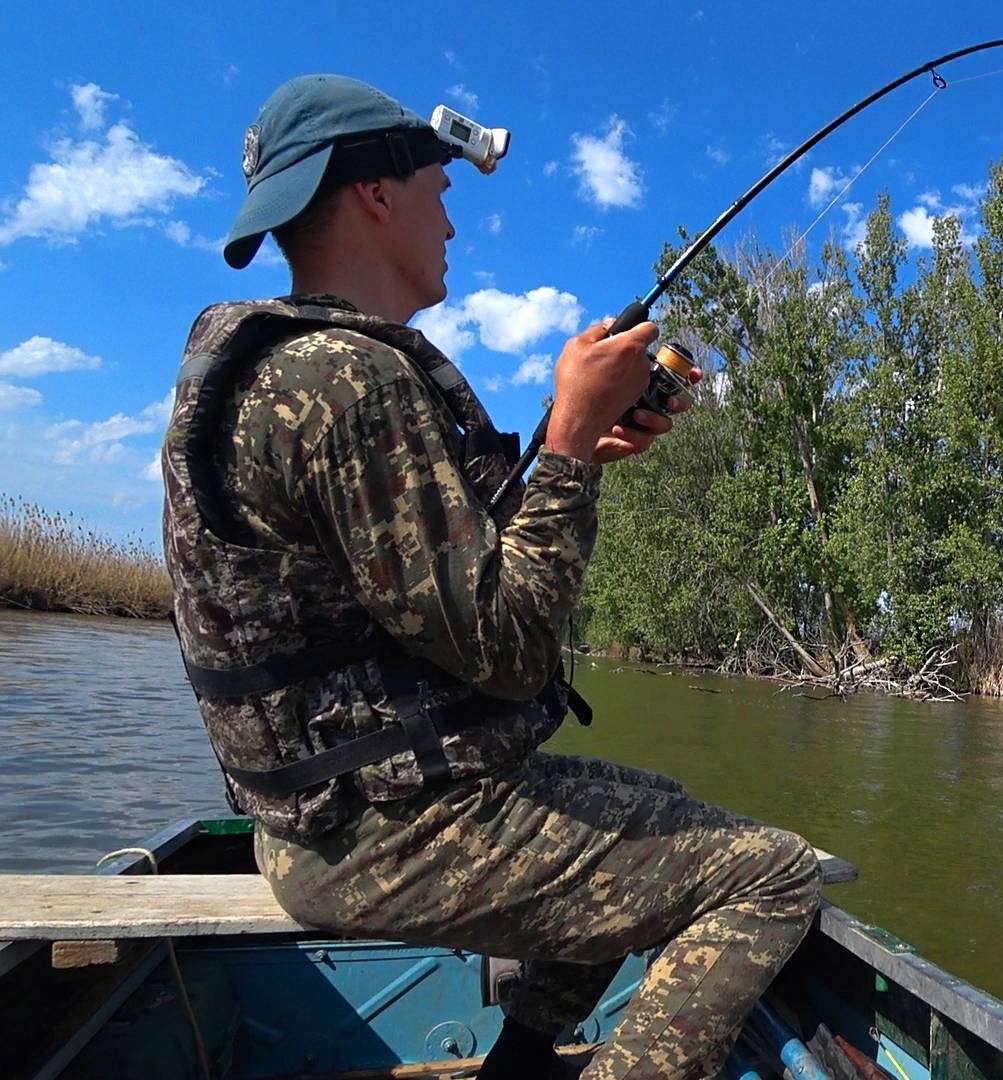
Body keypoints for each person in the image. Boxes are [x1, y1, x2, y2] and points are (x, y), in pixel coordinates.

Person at [161, 74, 821, 1079]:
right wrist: (566, 450)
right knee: (771, 876)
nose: (452, 223)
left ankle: (516, 1069)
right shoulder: (347, 381)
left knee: (652, 797)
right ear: (375, 193)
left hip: (321, 823)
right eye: (439, 191)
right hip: (384, 839)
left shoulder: (283, 368)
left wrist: (572, 456)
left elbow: (433, 600)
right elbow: (508, 652)